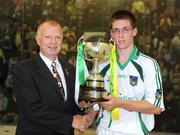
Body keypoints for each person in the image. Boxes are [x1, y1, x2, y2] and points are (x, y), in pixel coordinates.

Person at [85, 10, 165, 135]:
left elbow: (156, 107)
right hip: (105, 130)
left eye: (125, 29)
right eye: (116, 30)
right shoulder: (101, 64)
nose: (120, 35)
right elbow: (97, 98)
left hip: (135, 131)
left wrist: (120, 103)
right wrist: (89, 116)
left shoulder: (148, 64)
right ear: (111, 34)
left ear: (134, 31)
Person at [12, 20, 88, 135]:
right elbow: (32, 109)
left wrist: (81, 107)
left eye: (58, 37)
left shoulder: (70, 69)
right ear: (38, 40)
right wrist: (70, 121)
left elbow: (67, 105)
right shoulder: (23, 70)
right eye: (48, 37)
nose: (53, 42)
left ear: (62, 40)